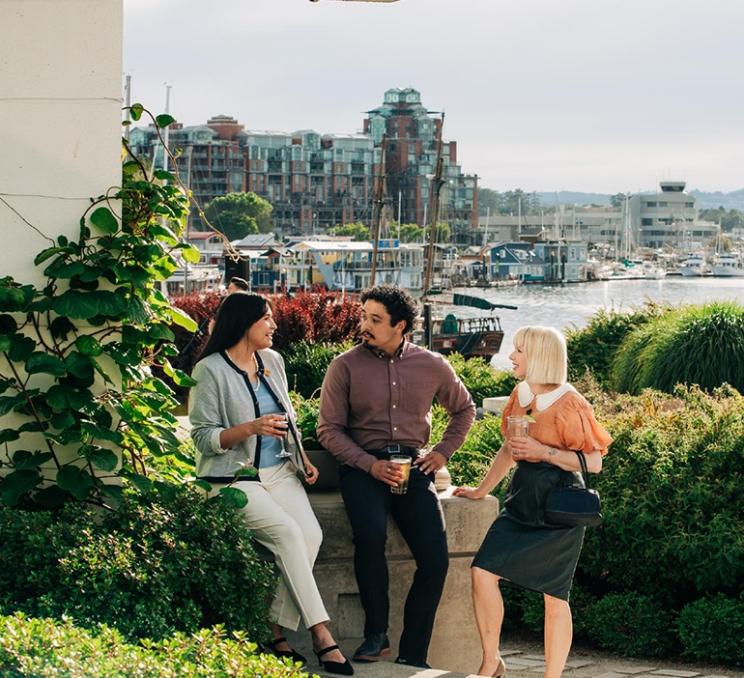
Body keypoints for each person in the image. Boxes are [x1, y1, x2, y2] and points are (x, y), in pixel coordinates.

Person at [189, 292, 353, 676]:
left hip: (280, 471)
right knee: (287, 534)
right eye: (267, 318)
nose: (274, 325)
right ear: (245, 323)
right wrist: (250, 428)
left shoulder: (273, 361)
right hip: (233, 476)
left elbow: (289, 420)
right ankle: (322, 635)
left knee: (310, 535)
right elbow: (202, 438)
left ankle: (275, 631)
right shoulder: (209, 369)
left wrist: (303, 459)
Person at [317, 285, 476, 669]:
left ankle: (414, 652)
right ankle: (376, 635)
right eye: (364, 317)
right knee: (369, 536)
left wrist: (441, 453)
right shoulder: (345, 366)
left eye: (375, 320)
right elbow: (328, 430)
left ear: (400, 325)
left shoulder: (433, 364)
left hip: (413, 467)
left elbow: (465, 409)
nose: (364, 325)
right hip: (362, 469)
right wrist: (369, 465)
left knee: (435, 560)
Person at [454, 326, 612, 678]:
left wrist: (545, 452)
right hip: (522, 499)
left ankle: (551, 676)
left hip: (560, 504)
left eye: (519, 351)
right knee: (482, 571)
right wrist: (482, 491)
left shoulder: (571, 403)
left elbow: (595, 462)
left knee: (555, 597)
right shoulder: (521, 394)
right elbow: (510, 449)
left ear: (540, 357)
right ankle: (491, 661)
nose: (511, 356)